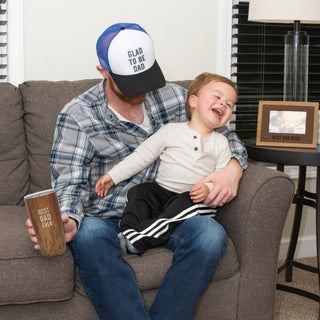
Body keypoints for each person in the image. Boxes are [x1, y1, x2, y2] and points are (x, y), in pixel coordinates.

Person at [26, 22, 248, 320]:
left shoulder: (174, 96)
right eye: (131, 82)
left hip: (167, 208)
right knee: (88, 236)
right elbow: (70, 181)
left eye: (146, 77)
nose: (143, 89)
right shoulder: (79, 114)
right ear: (103, 71)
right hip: (106, 215)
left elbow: (225, 137)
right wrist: (69, 218)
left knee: (210, 235)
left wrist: (233, 168)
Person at [95, 72, 237, 255]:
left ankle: (139, 239)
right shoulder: (170, 131)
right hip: (163, 193)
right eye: (217, 97)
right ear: (193, 101)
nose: (224, 104)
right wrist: (112, 176)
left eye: (230, 104)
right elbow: (141, 156)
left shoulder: (221, 142)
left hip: (195, 199)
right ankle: (127, 231)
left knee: (186, 203)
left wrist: (208, 189)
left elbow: (221, 176)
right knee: (140, 191)